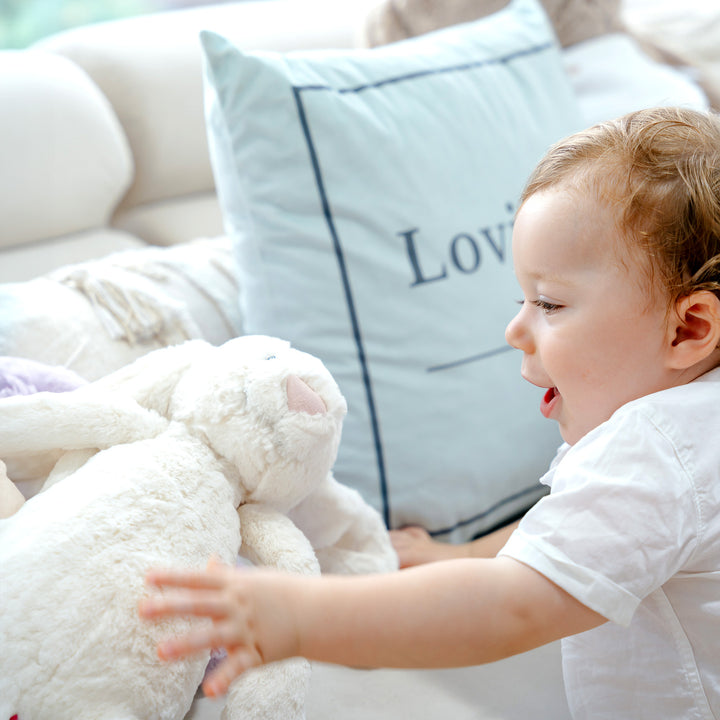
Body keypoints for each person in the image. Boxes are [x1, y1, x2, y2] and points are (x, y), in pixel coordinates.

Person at [139, 106, 720, 718]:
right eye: (522, 299)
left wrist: (297, 616)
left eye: (549, 303)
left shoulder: (653, 444)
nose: (514, 328)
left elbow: (509, 607)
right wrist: (464, 555)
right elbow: (578, 523)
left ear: (687, 328)